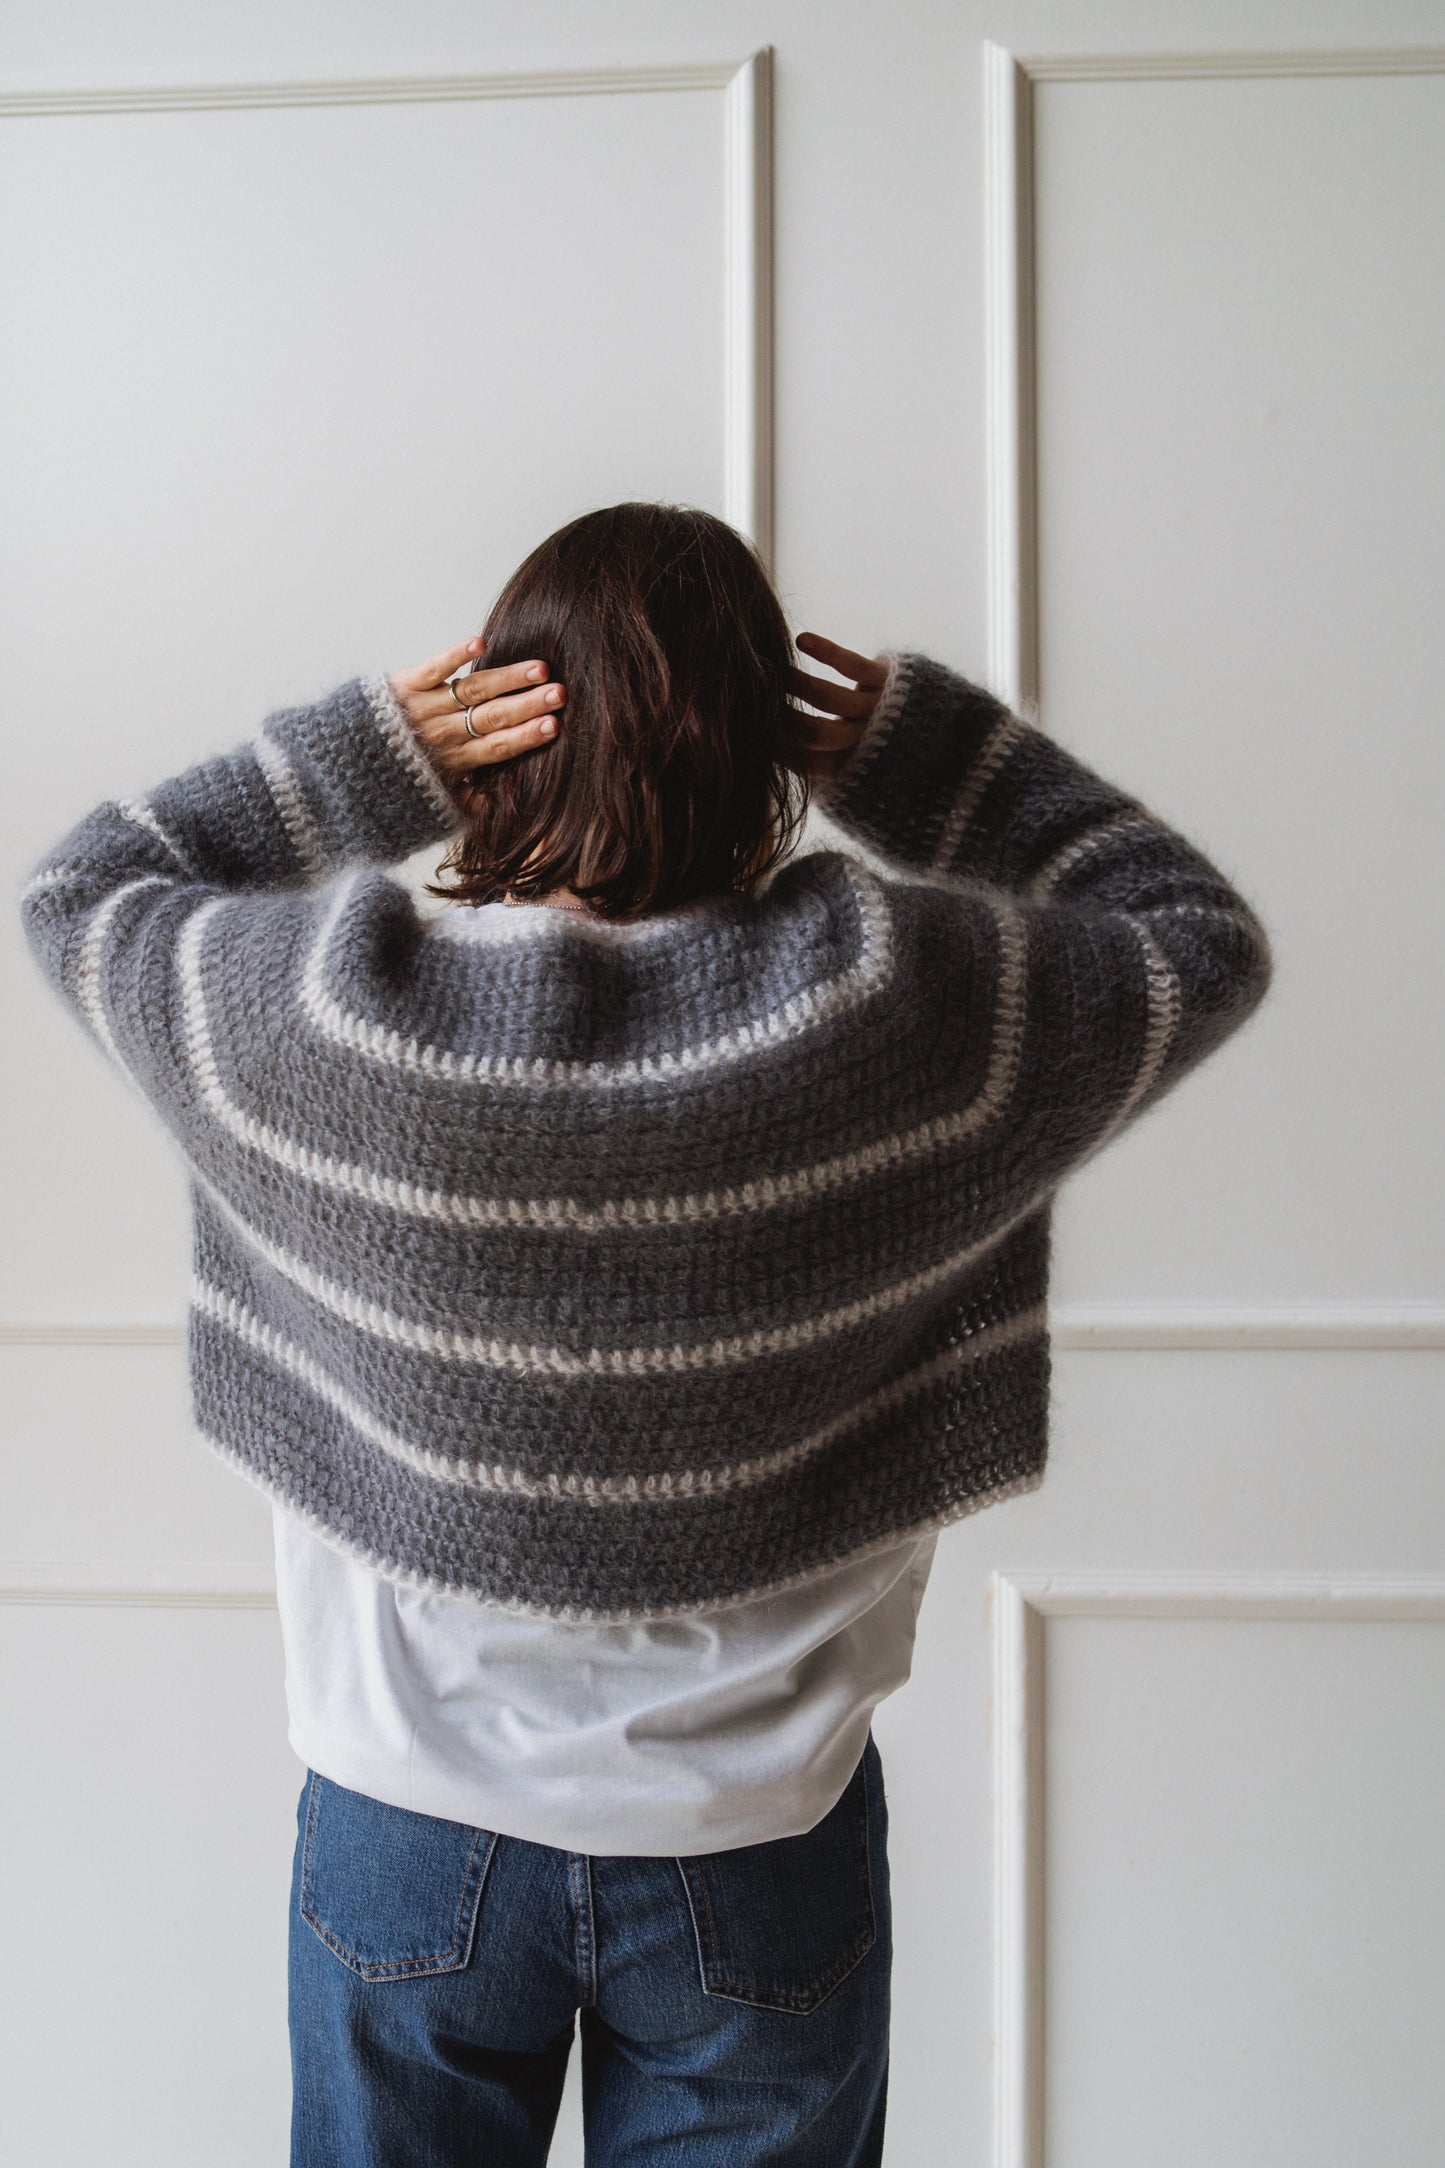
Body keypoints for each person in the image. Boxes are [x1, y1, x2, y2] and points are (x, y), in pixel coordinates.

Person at [20, 500, 1272, 2166]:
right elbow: (1194, 940)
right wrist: (925, 766)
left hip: (409, 1827)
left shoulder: (329, 1021)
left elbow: (82, 893)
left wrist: (368, 759)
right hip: (754, 1841)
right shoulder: (893, 1011)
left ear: (498, 738)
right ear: (763, 753)